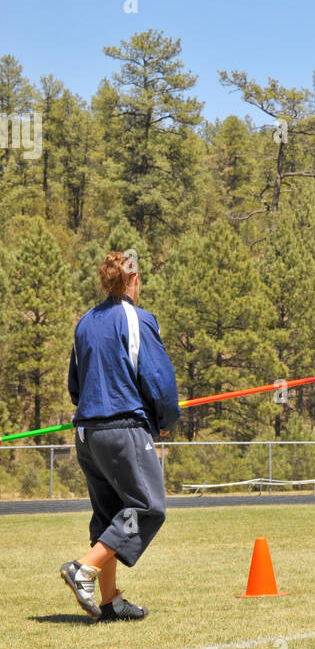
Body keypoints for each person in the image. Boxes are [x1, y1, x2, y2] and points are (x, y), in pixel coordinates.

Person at [60, 251, 180, 621]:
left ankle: (110, 602)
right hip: (122, 429)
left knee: (111, 514)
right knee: (148, 507)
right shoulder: (138, 319)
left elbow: (75, 385)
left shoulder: (84, 323)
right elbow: (159, 380)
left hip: (87, 434)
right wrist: (165, 418)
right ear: (135, 281)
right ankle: (84, 567)